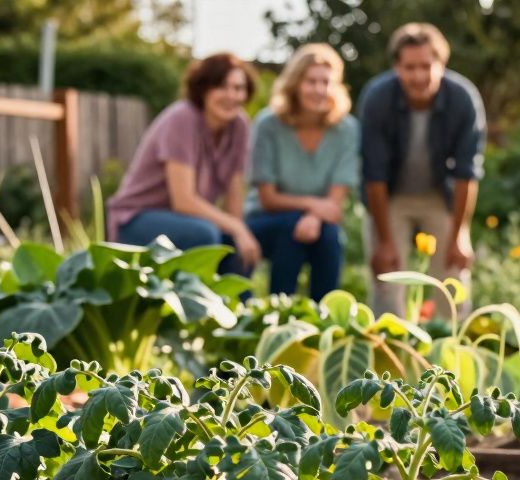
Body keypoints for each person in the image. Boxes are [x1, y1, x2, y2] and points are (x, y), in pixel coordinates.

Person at [358, 22, 485, 319]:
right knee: (387, 281)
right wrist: (385, 242)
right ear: (396, 67)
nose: (418, 76)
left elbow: (467, 173)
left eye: (426, 66)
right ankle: (390, 355)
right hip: (390, 197)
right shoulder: (377, 98)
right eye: (409, 67)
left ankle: (451, 353)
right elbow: (373, 175)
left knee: (454, 277)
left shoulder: (463, 99)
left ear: (442, 64)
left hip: (439, 196)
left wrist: (460, 235)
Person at [108, 52, 260, 276]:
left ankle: (237, 307)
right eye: (221, 87)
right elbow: (184, 201)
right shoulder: (182, 118)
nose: (231, 95)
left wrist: (240, 233)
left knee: (237, 244)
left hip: (186, 220)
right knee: (205, 234)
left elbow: (234, 192)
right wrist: (237, 227)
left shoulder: (239, 125)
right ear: (203, 89)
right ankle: (192, 307)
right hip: (137, 218)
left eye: (238, 88)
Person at [245, 43, 359, 301]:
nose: (320, 90)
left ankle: (325, 318)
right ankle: (278, 314)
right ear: (295, 84)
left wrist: (314, 216)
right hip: (265, 220)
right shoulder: (269, 125)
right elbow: (268, 198)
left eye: (326, 82)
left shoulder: (347, 130)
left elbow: (334, 203)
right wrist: (312, 208)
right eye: (311, 81)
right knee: (292, 231)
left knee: (330, 238)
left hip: (317, 224)